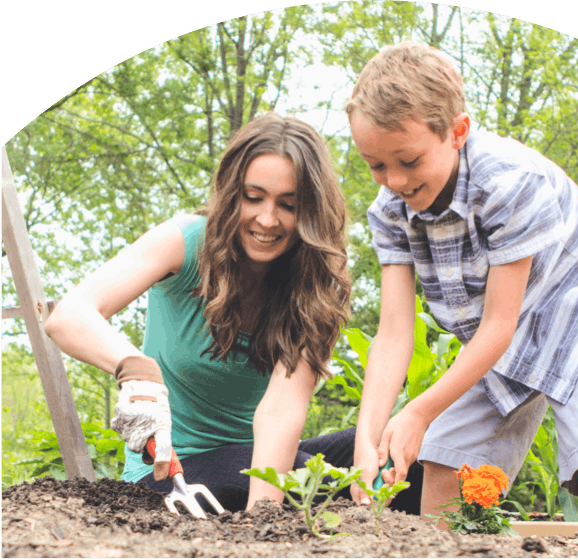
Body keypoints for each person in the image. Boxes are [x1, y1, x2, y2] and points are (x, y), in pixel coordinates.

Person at [345, 41, 578, 546]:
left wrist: (418, 411)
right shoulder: (389, 212)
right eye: (375, 165)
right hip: (498, 329)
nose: (395, 181)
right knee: (445, 459)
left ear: (457, 132)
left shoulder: (507, 182)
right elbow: (393, 334)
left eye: (407, 160)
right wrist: (367, 441)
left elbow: (499, 327)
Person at [44, 112, 421, 514]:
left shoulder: (314, 287)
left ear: (310, 212)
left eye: (288, 205)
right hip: (174, 475)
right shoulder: (186, 242)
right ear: (230, 192)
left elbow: (282, 411)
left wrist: (263, 519)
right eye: (253, 197)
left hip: (260, 463)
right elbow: (69, 315)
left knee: (404, 453)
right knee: (242, 477)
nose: (267, 219)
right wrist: (132, 367)